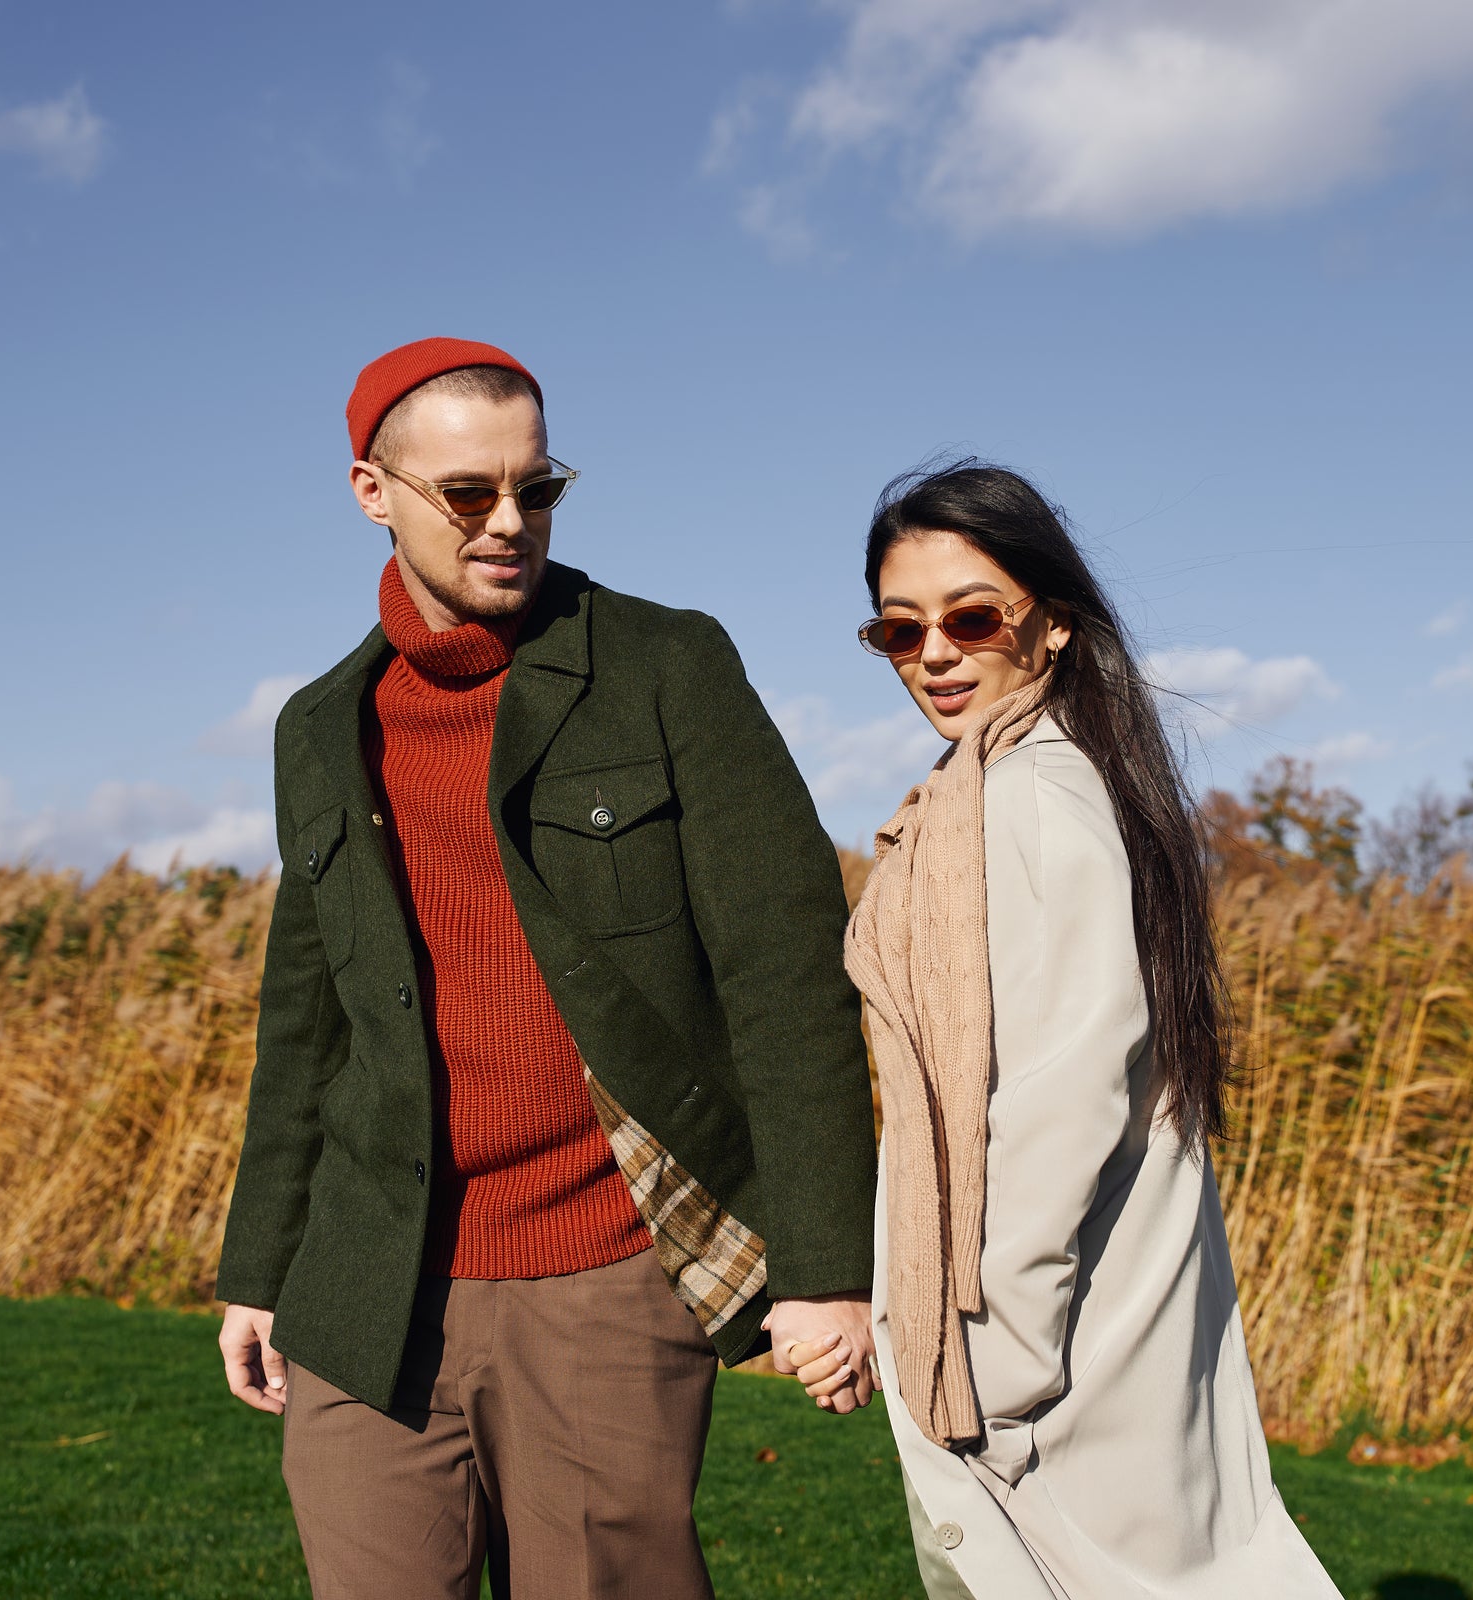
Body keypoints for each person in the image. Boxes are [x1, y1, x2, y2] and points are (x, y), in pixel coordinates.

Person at [214, 337, 879, 1600]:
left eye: (539, 485)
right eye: (468, 492)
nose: (510, 520)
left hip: (604, 1277)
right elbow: (306, 1023)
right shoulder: (320, 726)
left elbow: (786, 974)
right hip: (368, 1285)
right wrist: (260, 1268)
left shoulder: (664, 665)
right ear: (373, 491)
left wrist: (826, 1265)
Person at [797, 460, 1341, 1597]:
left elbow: (1068, 1082)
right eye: (901, 630)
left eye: (973, 616)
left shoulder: (1033, 795)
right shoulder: (991, 785)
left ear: (1049, 628)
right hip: (1047, 1320)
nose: (938, 652)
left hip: (1044, 1342)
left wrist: (999, 1350)